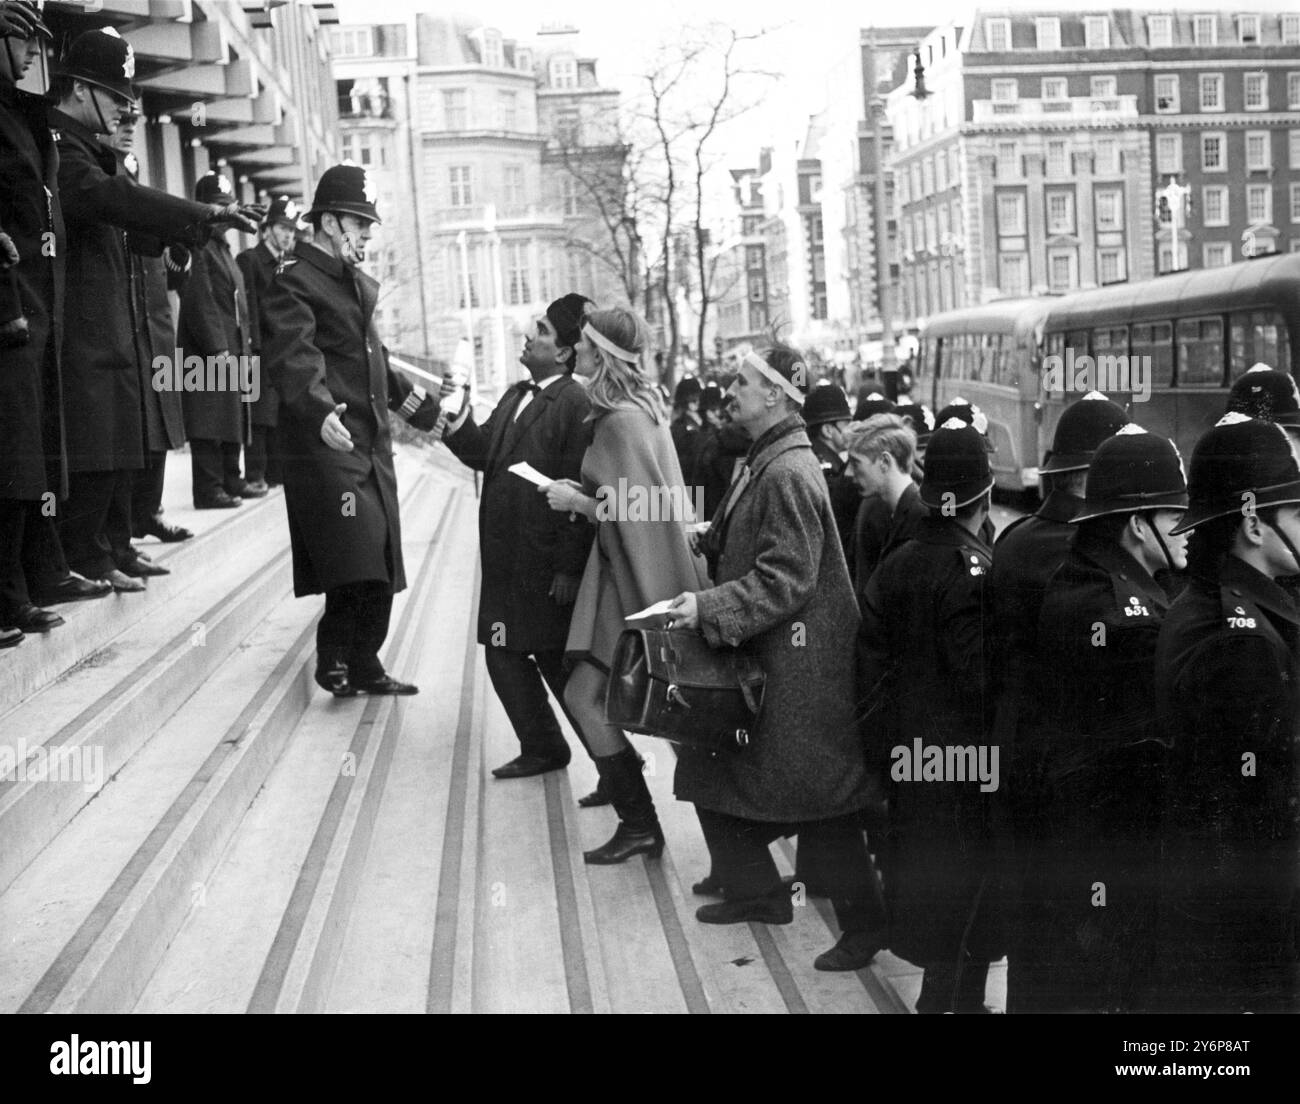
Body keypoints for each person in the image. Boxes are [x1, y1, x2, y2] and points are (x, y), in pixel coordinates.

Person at [667, 346, 884, 972]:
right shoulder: (768, 459)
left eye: (742, 382)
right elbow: (765, 546)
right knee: (719, 772)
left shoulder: (787, 470)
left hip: (799, 672)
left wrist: (707, 608)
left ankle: (865, 929)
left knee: (824, 802)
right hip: (779, 663)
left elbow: (787, 578)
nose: (730, 390)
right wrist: (710, 537)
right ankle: (761, 893)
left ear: (775, 397)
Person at [51, 28, 257, 591]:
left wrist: (184, 234)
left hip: (117, 327)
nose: (124, 109)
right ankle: (91, 553)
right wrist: (201, 215)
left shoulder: (93, 153)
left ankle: (112, 546)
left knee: (123, 441)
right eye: (116, 97)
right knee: (100, 443)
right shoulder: (61, 147)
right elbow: (113, 203)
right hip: (84, 327)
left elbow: (130, 229)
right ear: (80, 90)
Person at [1021, 426, 1187, 1013]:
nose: (1188, 533)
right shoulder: (1125, 615)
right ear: (1138, 524)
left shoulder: (1087, 577)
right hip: (1112, 848)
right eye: (1177, 518)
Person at [261, 164, 439, 698]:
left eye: (368, 225)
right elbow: (294, 354)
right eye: (359, 224)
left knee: (381, 556)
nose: (365, 235)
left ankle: (365, 661)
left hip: (369, 443)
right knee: (356, 551)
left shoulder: (352, 282)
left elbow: (373, 356)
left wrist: (425, 411)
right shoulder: (292, 279)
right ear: (331, 221)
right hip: (327, 440)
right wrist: (320, 411)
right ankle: (334, 652)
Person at [542, 307, 708, 864]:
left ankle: (649, 827)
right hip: (628, 573)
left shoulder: (621, 421)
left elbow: (638, 513)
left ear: (602, 356)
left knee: (598, 700)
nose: (576, 353)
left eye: (584, 346)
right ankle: (652, 827)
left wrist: (576, 502)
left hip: (627, 582)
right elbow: (644, 505)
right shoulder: (642, 411)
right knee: (611, 701)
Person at [1154, 414, 1300, 1013]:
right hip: (1250, 918)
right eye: (1294, 514)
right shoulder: (1238, 637)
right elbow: (1263, 799)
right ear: (1252, 522)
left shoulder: (1214, 602)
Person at [858, 421, 1004, 1012]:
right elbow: (983, 680)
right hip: (968, 766)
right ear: (986, 496)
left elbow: (868, 671)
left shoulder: (897, 564)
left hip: (908, 761)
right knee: (969, 892)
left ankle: (944, 999)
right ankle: (951, 1003)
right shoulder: (977, 571)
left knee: (927, 882)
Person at [442, 294, 604, 795]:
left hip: (544, 567)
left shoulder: (576, 405)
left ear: (564, 353)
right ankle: (544, 746)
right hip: (507, 561)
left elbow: (582, 488)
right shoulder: (517, 394)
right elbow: (481, 451)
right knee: (501, 652)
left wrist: (569, 570)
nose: (528, 335)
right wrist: (455, 420)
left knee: (560, 673)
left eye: (541, 330)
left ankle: (614, 769)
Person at [0, 1, 87, 646]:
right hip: (7, 308)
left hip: (34, 303)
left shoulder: (21, 113)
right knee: (10, 457)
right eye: (23, 40)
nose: (34, 53)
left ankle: (31, 578)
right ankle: (8, 595)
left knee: (31, 452)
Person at [105, 110, 193, 547]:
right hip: (123, 327)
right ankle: (124, 525)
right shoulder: (100, 182)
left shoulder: (139, 187)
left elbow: (171, 275)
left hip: (154, 325)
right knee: (132, 428)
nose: (126, 130)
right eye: (119, 120)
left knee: (159, 424)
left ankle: (148, 512)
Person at [178, 171, 260, 510]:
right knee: (208, 419)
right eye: (217, 207)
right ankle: (208, 488)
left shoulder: (220, 247)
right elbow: (199, 297)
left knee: (230, 415)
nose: (224, 215)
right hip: (208, 347)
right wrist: (217, 347)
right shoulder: (196, 244)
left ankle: (231, 477)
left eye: (227, 207)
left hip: (230, 344)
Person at [236, 196, 299, 491]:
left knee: (280, 414)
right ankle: (255, 475)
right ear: (268, 228)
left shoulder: (289, 265)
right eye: (284, 227)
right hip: (259, 349)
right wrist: (252, 349)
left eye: (292, 229)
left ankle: (276, 473)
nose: (289, 234)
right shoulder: (250, 260)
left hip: (283, 350)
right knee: (260, 415)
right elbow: (246, 306)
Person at [844, 414, 925, 599]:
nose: (851, 474)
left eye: (856, 464)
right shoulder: (876, 507)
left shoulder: (921, 518)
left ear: (885, 462)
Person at [801, 382, 860, 564]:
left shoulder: (821, 458)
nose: (851, 430)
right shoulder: (823, 467)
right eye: (846, 424)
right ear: (827, 430)